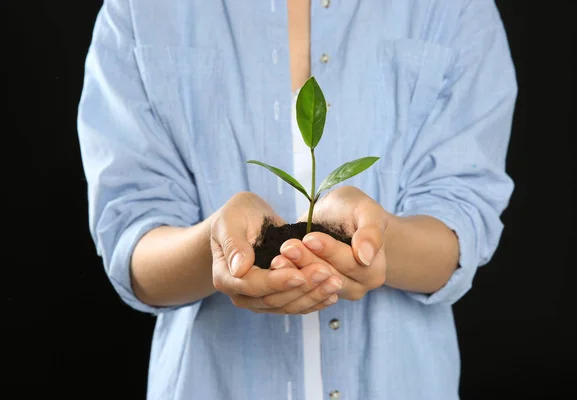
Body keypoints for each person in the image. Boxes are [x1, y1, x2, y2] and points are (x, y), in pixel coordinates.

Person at [77, 1, 517, 399]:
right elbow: (131, 237)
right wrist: (216, 247)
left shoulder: (454, 8)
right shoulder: (139, 10)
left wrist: (377, 240)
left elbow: (462, 216)